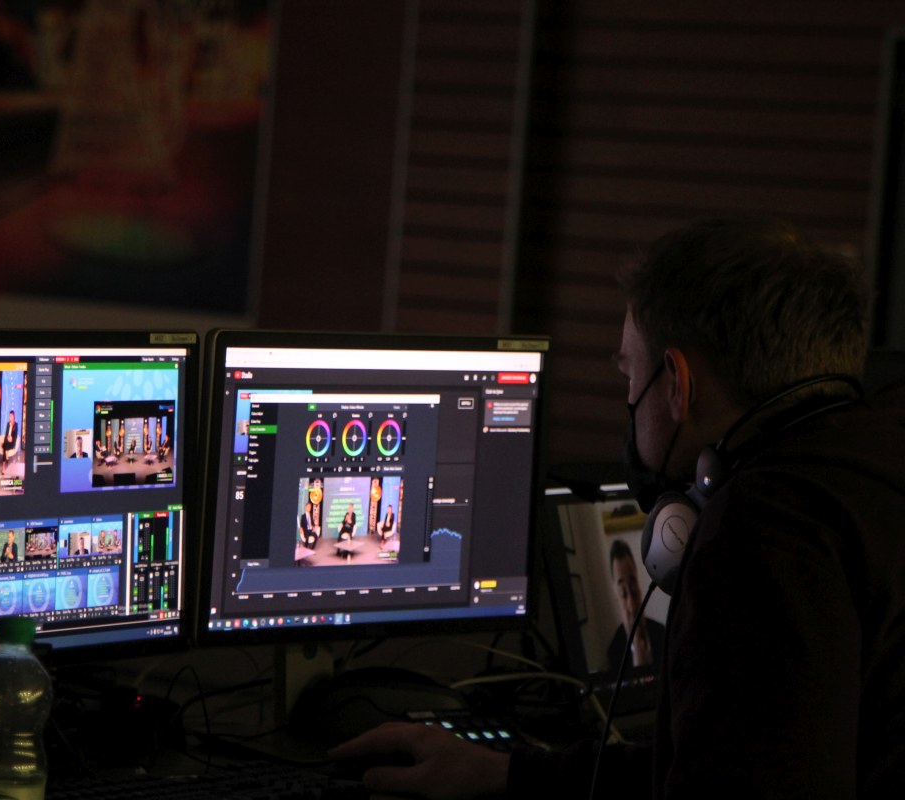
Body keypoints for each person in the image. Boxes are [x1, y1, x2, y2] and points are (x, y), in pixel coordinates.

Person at [332, 216, 905, 797]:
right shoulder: (873, 465)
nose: (629, 399)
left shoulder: (765, 531)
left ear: (677, 383)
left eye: (630, 373)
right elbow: (729, 759)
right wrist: (506, 774)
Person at [606, 538, 666, 673]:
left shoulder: (662, 633)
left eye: (633, 590)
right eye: (623, 593)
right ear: (616, 596)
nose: (632, 606)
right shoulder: (613, 652)